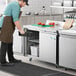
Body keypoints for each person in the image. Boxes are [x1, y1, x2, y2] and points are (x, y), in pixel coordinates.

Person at [0, 0, 29, 66]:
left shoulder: (15, 4)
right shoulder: (16, 5)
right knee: (4, 42)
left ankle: (11, 58)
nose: (24, 5)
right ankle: (2, 62)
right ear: (22, 1)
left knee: (9, 41)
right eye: (25, 3)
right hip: (5, 24)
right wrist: (20, 30)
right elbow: (15, 19)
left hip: (8, 24)